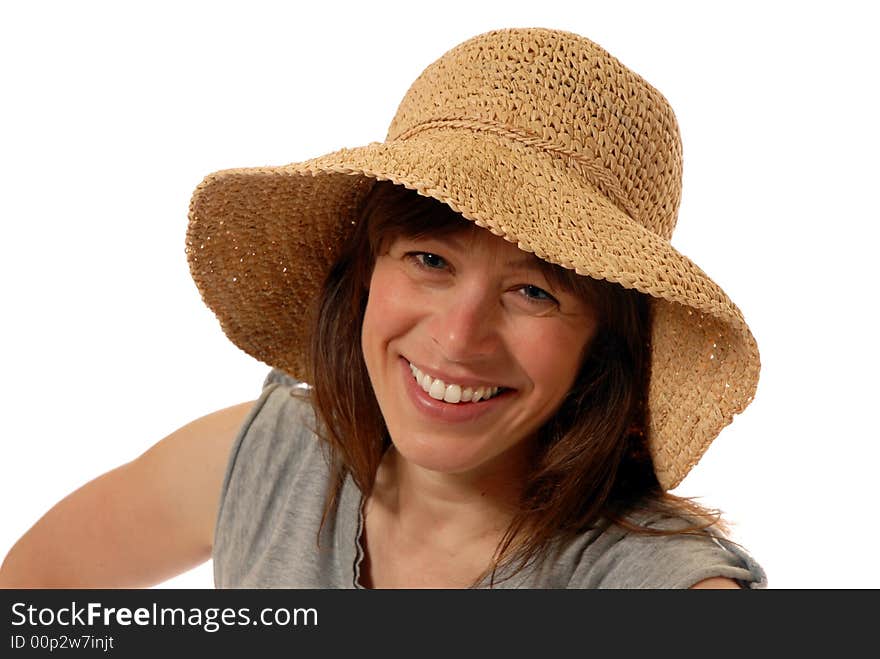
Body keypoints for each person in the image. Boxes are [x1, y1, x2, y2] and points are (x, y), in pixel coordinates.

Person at [0, 27, 765, 589]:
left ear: (603, 344)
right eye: (430, 260)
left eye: (534, 291)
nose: (460, 336)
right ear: (365, 270)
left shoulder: (649, 581)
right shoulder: (268, 463)